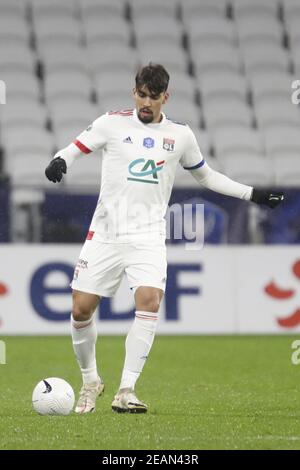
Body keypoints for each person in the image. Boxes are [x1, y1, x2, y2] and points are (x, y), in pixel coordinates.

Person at [45, 63, 284, 414]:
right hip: (106, 233)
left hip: (148, 235)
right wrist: (60, 160)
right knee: (81, 309)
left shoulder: (180, 135)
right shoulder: (111, 123)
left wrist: (252, 194)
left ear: (165, 97)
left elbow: (206, 176)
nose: (146, 102)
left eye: (153, 97)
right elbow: (75, 147)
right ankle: (90, 381)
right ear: (134, 92)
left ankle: (127, 389)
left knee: (149, 300)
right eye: (141, 94)